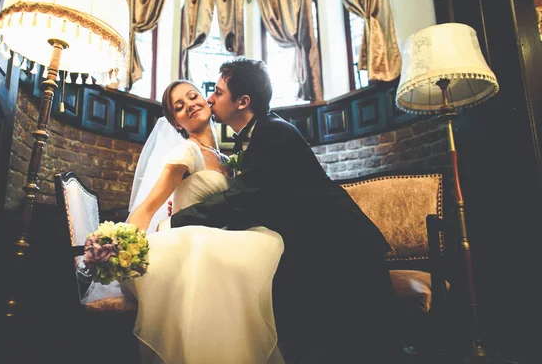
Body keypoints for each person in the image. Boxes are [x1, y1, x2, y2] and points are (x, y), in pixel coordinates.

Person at [164, 58, 399, 363]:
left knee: (359, 351)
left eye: (218, 93)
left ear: (242, 102)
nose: (209, 99)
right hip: (313, 252)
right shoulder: (249, 141)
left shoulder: (275, 134)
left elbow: (242, 202)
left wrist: (178, 221)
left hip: (342, 253)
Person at [111, 80, 285, 364]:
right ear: (177, 123)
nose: (189, 105)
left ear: (206, 100)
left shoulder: (228, 160)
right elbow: (148, 207)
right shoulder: (186, 153)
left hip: (221, 244)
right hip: (192, 246)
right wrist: (120, 247)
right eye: (179, 107)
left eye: (193, 96)